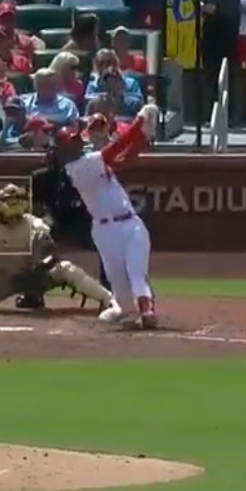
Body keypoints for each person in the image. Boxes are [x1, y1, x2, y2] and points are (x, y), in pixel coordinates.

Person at [51, 103, 159, 329]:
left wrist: (143, 138)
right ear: (63, 150)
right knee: (117, 279)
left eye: (77, 140)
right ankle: (125, 308)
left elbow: (123, 160)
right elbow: (117, 147)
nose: (78, 143)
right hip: (104, 231)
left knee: (135, 272)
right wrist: (139, 122)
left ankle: (147, 310)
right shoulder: (77, 168)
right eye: (72, 142)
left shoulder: (89, 161)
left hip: (130, 225)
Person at [0, 183, 113, 313]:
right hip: (3, 279)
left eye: (18, 201)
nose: (15, 206)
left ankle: (109, 300)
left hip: (37, 275)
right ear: (0, 204)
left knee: (67, 269)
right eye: (11, 202)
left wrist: (41, 266)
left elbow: (51, 251)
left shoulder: (34, 225)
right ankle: (31, 299)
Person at [199, 0, 240, 117]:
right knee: (210, 76)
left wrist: (212, 8)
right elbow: (204, 4)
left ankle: (229, 115)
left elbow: (220, 8)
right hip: (210, 35)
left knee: (226, 76)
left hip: (227, 34)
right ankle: (213, 113)